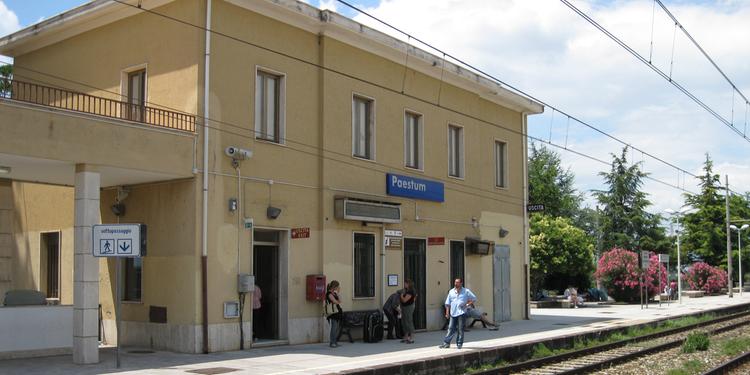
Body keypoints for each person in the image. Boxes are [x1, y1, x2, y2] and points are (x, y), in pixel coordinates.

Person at [439, 278, 476, 349]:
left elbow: (474, 298)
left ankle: (459, 343)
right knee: (450, 328)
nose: (456, 284)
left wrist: (467, 304)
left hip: (462, 313)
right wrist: (447, 313)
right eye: (455, 282)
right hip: (453, 312)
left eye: (458, 282)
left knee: (460, 329)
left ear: (461, 283)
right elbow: (447, 303)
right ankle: (446, 343)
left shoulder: (466, 291)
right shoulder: (451, 291)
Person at [325, 280, 343, 348]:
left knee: (336, 328)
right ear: (334, 287)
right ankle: (332, 342)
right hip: (332, 313)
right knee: (334, 328)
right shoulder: (329, 294)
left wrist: (338, 293)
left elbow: (340, 301)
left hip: (337, 313)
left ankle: (335, 341)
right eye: (337, 286)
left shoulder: (335, 293)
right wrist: (337, 301)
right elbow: (335, 302)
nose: (338, 287)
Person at [400, 279, 417, 344]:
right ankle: (406, 336)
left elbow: (404, 300)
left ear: (408, 284)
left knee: (408, 321)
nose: (404, 285)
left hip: (408, 307)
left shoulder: (411, 291)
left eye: (405, 284)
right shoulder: (406, 291)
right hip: (404, 307)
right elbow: (415, 296)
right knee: (404, 321)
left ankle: (411, 338)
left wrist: (401, 296)